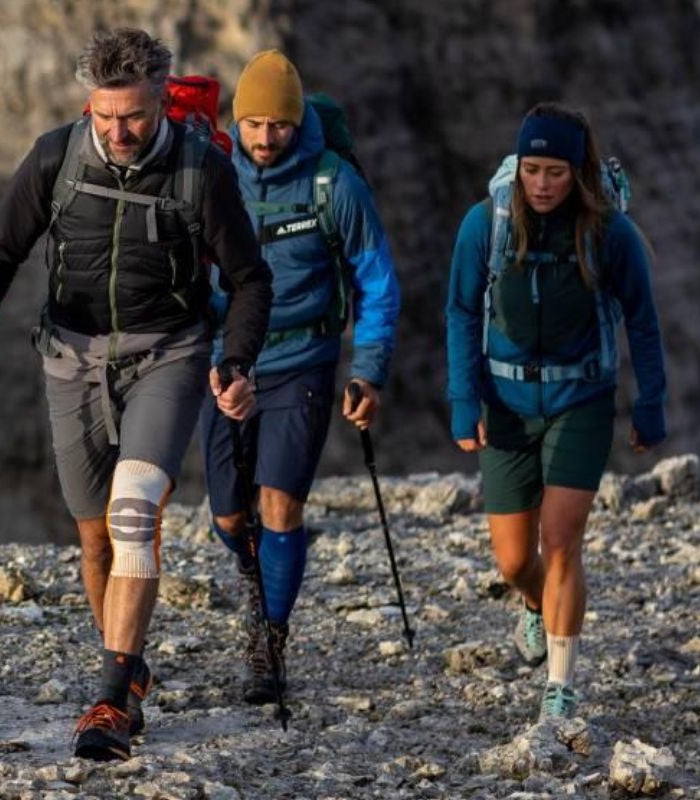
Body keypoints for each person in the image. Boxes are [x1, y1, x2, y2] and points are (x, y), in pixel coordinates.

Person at [0, 27, 274, 761]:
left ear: (161, 99)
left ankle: (108, 702)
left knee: (134, 514)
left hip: (170, 353)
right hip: (69, 358)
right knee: (94, 535)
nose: (118, 131)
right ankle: (127, 671)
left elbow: (250, 278)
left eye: (132, 115)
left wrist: (239, 360)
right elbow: (0, 248)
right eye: (105, 115)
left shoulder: (201, 169)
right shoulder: (54, 156)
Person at [442, 103, 670, 722]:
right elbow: (462, 312)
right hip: (506, 403)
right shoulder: (483, 225)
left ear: (577, 172)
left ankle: (560, 686)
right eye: (533, 170)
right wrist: (464, 401)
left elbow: (643, 324)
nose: (542, 185)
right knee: (516, 561)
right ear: (518, 168)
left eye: (556, 172)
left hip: (581, 400)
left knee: (561, 539)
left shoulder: (607, 234)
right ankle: (532, 606)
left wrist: (649, 405)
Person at [202, 49, 400, 707]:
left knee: (280, 503)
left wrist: (367, 371)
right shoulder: (215, 174)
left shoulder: (333, 184)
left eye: (278, 126)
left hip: (303, 361)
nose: (265, 139)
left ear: (296, 124)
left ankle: (269, 641)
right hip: (229, 361)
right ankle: (257, 581)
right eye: (254, 124)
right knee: (229, 513)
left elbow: (376, 279)